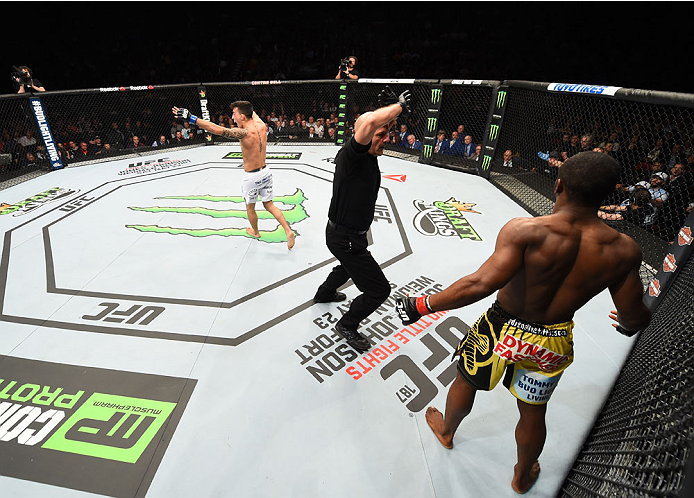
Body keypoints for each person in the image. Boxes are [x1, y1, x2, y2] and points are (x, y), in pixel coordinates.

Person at [395, 151, 652, 494]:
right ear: (607, 195)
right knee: (533, 412)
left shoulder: (527, 230)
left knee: (466, 380)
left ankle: (446, 432)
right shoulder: (624, 250)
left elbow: (480, 284)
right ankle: (521, 476)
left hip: (500, 327)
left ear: (558, 185)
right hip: (552, 339)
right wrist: (626, 323)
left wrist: (421, 305)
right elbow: (634, 319)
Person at [313, 86, 412, 352]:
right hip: (345, 237)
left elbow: (372, 123)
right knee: (379, 290)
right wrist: (399, 107)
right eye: (381, 134)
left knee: (347, 265)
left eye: (387, 133)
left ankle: (323, 294)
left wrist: (390, 118)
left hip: (345, 235)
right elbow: (367, 122)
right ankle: (347, 324)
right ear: (363, 136)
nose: (386, 139)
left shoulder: (365, 155)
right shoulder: (351, 156)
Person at [172, 101, 296, 249]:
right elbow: (250, 110)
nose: (232, 117)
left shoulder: (244, 133)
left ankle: (256, 232)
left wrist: (192, 118)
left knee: (250, 208)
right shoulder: (261, 124)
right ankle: (288, 231)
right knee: (269, 205)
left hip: (252, 177)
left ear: (243, 116)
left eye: (234, 114)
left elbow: (217, 129)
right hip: (266, 172)